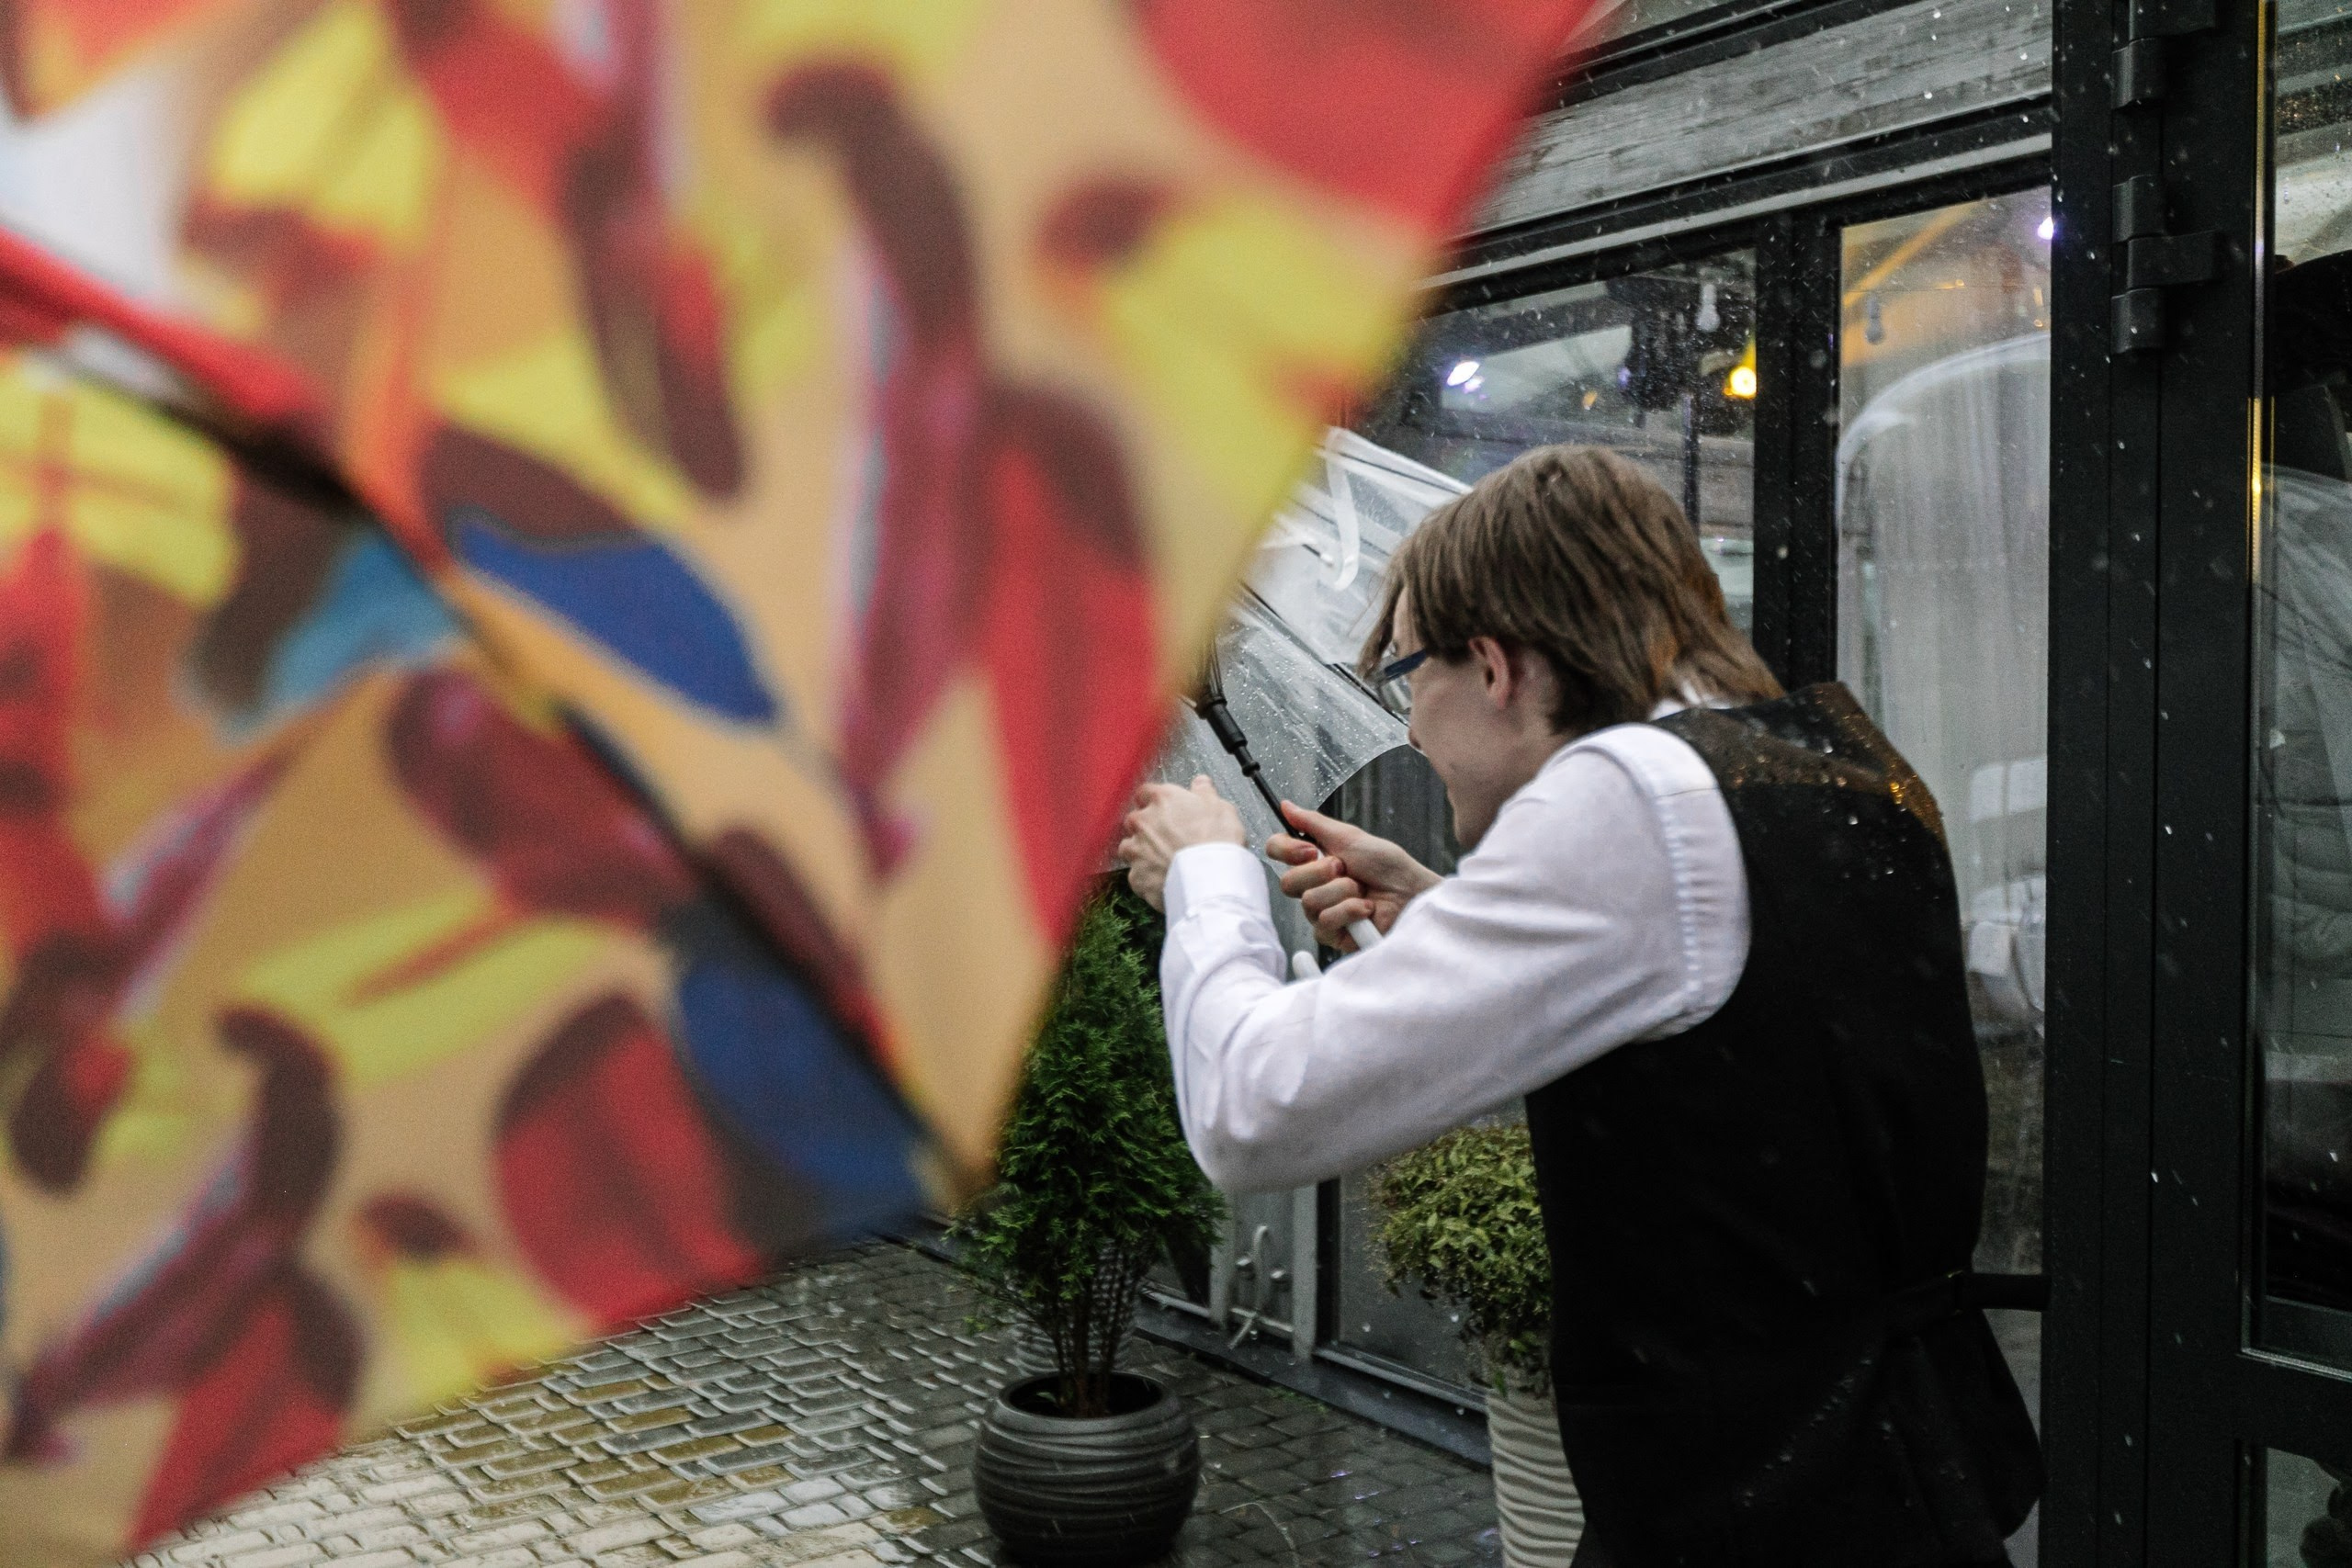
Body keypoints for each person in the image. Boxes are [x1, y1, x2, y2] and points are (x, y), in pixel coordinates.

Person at [1118, 445, 2041, 1568]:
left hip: (1745, 1508)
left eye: (1408, 675)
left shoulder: (1624, 800)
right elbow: (1727, 1036)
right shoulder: (1830, 765)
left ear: (1494, 666)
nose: (1411, 729)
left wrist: (1206, 878)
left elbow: (1250, 1112)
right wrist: (1442, 912)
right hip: (1897, 1478)